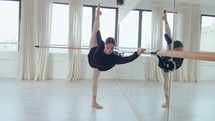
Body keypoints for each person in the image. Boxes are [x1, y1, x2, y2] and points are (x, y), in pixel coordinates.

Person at [88, 5, 146, 109]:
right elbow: (97, 36)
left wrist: (137, 53)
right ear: (104, 46)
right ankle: (97, 16)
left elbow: (127, 59)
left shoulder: (114, 57)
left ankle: (94, 102)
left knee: (95, 79)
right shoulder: (100, 46)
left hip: (100, 65)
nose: (109, 50)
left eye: (112, 48)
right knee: (94, 33)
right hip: (93, 56)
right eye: (108, 47)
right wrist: (100, 43)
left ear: (114, 47)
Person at [157, 10, 184, 108]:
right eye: (178, 50)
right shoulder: (170, 46)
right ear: (172, 48)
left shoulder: (180, 53)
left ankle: (165, 20)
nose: (180, 52)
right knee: (166, 81)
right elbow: (168, 33)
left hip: (174, 63)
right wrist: (165, 21)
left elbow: (168, 33)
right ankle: (167, 100)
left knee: (169, 36)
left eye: (181, 50)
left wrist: (166, 21)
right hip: (165, 64)